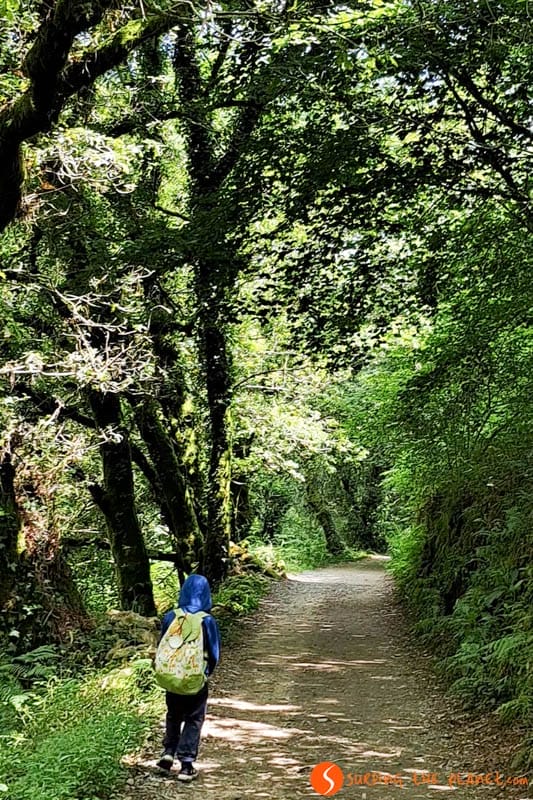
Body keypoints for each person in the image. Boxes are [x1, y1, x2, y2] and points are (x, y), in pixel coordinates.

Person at [156, 574, 220, 781]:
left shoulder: (170, 616)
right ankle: (186, 764)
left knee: (173, 714)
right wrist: (206, 671)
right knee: (194, 718)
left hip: (171, 676)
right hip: (194, 678)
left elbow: (162, 645)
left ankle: (168, 752)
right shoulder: (207, 620)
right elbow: (214, 653)